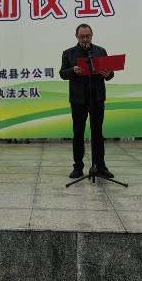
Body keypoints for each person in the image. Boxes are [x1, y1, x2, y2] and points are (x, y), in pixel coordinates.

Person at [59, 24, 114, 179]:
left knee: (97, 132)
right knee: (78, 132)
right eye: (82, 36)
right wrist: (73, 71)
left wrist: (108, 74)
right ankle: (78, 167)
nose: (85, 39)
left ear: (92, 35)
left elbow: (110, 74)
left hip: (97, 97)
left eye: (87, 36)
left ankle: (100, 166)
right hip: (78, 99)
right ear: (76, 36)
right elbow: (62, 73)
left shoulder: (100, 51)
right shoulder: (68, 53)